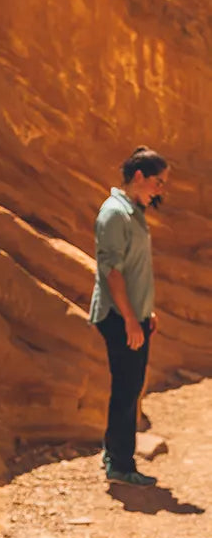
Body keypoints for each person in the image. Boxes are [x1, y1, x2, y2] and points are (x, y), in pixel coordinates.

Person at [89, 146, 169, 487]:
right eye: (157, 181)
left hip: (133, 315)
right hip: (118, 316)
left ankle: (115, 456)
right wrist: (130, 320)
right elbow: (112, 272)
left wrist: (145, 312)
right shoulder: (114, 214)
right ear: (139, 176)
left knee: (130, 386)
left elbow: (135, 269)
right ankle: (120, 466)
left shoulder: (133, 213)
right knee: (126, 388)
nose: (160, 189)